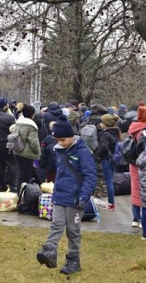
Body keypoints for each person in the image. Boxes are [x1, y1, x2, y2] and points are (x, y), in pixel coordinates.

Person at [37, 115, 97, 275]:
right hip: (60, 196)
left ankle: (73, 259)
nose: (60, 143)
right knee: (56, 224)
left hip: (76, 199)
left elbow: (90, 177)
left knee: (72, 230)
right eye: (58, 140)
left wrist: (83, 197)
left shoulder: (83, 152)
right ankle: (49, 251)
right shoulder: (59, 150)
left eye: (62, 140)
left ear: (71, 137)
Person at [127, 105, 146, 228]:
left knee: (135, 190)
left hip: (133, 163)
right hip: (145, 163)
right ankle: (144, 219)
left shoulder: (133, 128)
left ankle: (135, 218)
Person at [11, 104, 41, 189]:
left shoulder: (18, 122)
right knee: (27, 176)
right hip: (28, 154)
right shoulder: (31, 125)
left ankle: (19, 193)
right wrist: (38, 153)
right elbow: (34, 142)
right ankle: (25, 194)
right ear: (31, 114)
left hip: (17, 151)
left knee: (20, 174)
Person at [95, 114, 121, 210]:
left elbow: (104, 147)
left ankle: (111, 203)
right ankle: (111, 202)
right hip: (114, 159)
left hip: (107, 159)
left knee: (108, 181)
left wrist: (97, 154)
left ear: (105, 124)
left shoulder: (105, 134)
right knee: (110, 180)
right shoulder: (116, 132)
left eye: (101, 122)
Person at [0, 98, 17, 192]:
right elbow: (14, 131)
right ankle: (13, 186)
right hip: (6, 144)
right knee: (11, 165)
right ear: (5, 105)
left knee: (0, 166)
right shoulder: (9, 117)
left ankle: (1, 185)